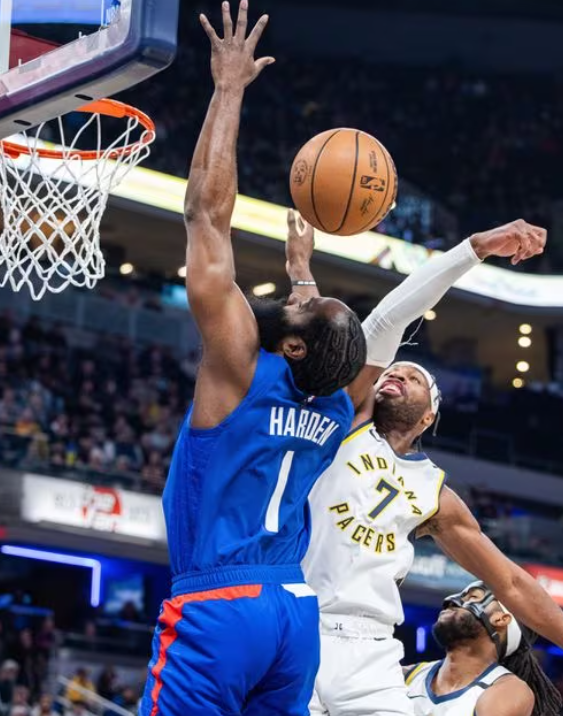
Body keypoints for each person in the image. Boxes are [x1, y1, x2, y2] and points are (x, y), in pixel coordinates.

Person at [293, 227, 563, 715]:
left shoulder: (433, 493)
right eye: (392, 371)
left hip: (370, 652)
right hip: (299, 625)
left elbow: (514, 585)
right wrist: (476, 247)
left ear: (428, 416)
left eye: (414, 378)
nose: (395, 374)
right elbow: (392, 315)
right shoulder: (345, 422)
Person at [139, 3, 370, 715]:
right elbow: (322, 346)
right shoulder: (334, 405)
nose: (298, 299)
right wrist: (303, 273)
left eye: (302, 307)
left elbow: (206, 217)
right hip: (292, 614)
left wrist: (228, 89)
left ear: (292, 344)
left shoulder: (240, 365)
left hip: (220, 602)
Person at [404, 582, 563, 716]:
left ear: (501, 619)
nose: (451, 601)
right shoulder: (406, 675)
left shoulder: (508, 692)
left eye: (473, 597)